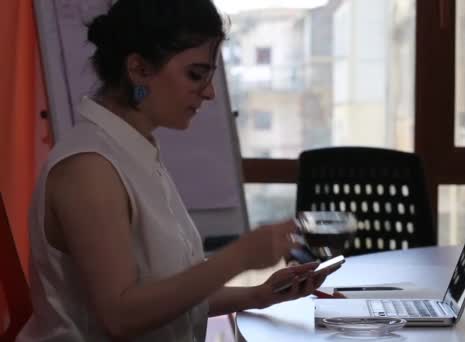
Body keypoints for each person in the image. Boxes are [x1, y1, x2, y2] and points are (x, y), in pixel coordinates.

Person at [16, 0, 337, 341]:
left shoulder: (133, 151)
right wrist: (237, 258)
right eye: (195, 74)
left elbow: (169, 297)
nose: (210, 92)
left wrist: (258, 295)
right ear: (138, 69)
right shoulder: (88, 169)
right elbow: (121, 315)